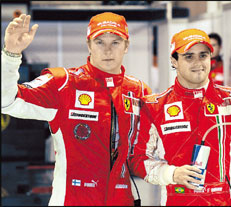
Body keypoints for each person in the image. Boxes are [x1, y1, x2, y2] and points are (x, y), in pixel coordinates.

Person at [1, 12, 151, 206]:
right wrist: (11, 55)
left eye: (115, 42)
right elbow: (7, 101)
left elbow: (149, 152)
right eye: (99, 42)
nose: (108, 50)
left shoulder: (139, 91)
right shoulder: (63, 84)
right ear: (88, 45)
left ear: (126, 46)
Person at [130, 28, 231, 206]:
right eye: (189, 56)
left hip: (221, 200)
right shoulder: (154, 106)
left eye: (203, 55)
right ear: (174, 61)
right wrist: (171, 174)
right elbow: (137, 159)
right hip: (175, 199)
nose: (198, 63)